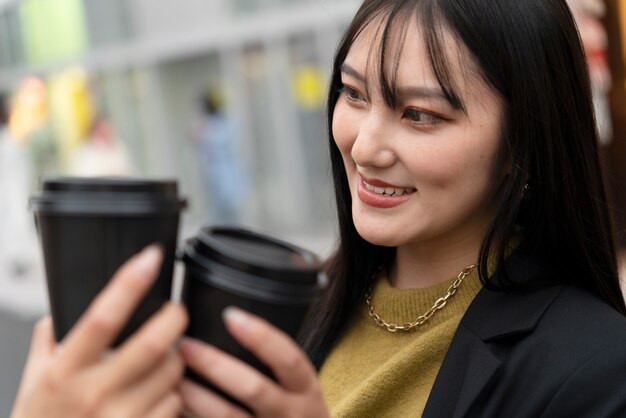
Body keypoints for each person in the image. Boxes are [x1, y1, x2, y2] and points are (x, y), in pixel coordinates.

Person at [10, 0, 626, 417]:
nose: (365, 143)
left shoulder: (594, 367)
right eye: (354, 94)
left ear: (524, 143)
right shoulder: (292, 303)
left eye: (420, 114)